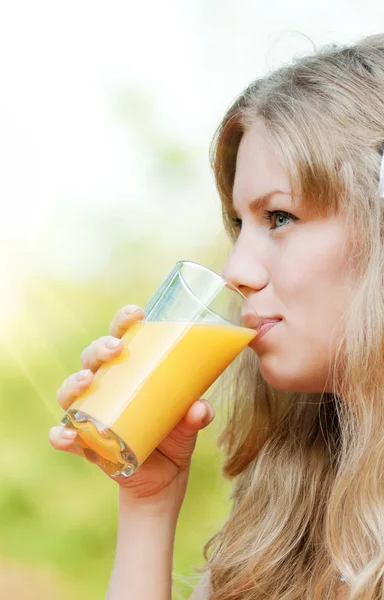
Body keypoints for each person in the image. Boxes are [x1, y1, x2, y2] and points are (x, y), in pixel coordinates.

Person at [49, 33, 384, 599]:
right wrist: (148, 504)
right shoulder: (285, 527)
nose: (235, 269)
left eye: (279, 217)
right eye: (239, 225)